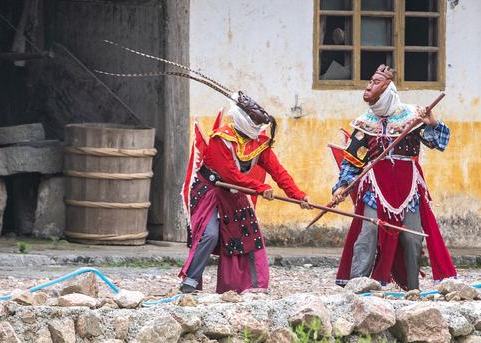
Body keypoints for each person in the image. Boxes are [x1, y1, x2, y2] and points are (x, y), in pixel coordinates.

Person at [331, 64, 456, 290]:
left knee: (412, 235)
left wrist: (432, 122)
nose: (368, 87)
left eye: (374, 83)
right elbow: (352, 160)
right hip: (375, 187)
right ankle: (358, 284)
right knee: (368, 230)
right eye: (369, 82)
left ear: (388, 88)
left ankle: (412, 288)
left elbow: (439, 143)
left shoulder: (411, 116)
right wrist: (342, 186)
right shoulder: (364, 123)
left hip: (408, 187)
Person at [179, 92, 311, 294]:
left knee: (248, 235)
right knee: (210, 234)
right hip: (209, 191)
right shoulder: (220, 139)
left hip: (234, 192)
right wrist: (260, 188)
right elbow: (229, 175)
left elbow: (278, 171)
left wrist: (298, 195)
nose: (257, 131)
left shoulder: (260, 143)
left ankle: (249, 287)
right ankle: (190, 281)